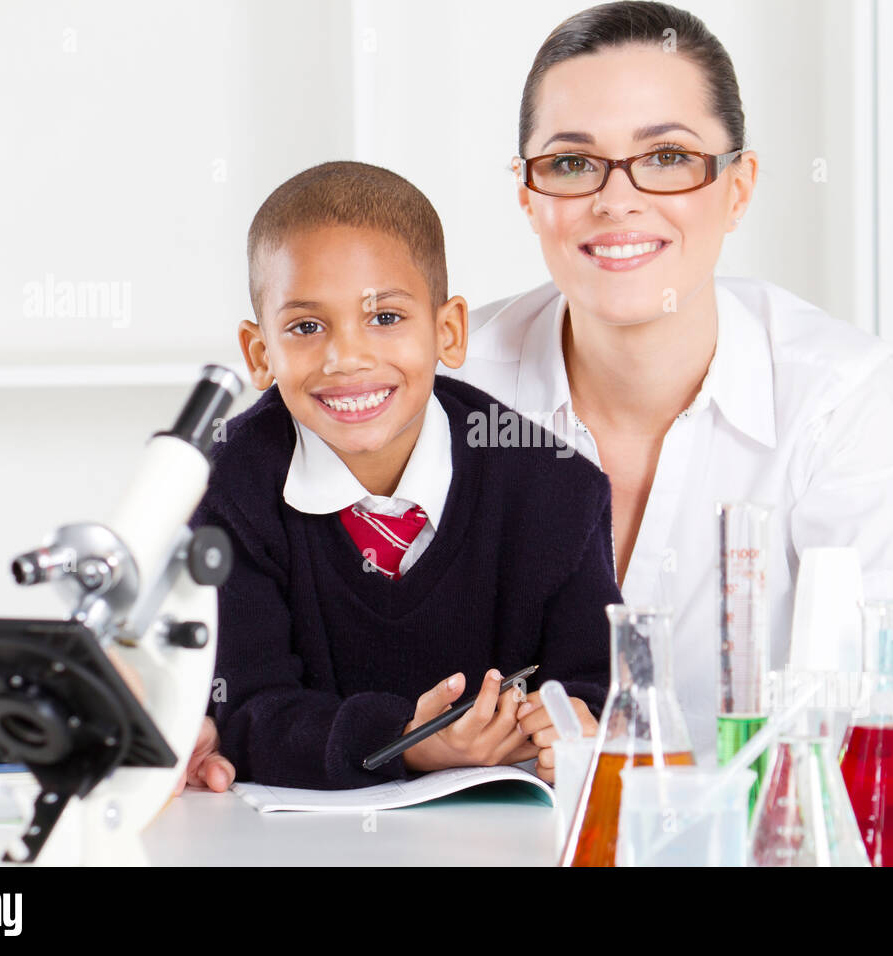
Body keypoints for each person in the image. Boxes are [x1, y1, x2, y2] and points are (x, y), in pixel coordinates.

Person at [182, 0, 893, 787]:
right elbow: (218, 589)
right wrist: (187, 720)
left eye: (668, 156)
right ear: (527, 190)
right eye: (573, 163)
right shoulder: (426, 376)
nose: (617, 200)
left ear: (738, 185)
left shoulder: (829, 394)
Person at [184, 160, 618, 790]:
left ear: (448, 331)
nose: (347, 358)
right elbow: (246, 710)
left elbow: (600, 686)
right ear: (259, 353)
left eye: (385, 318)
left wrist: (574, 723)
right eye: (306, 327)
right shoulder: (227, 492)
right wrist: (408, 745)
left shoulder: (556, 489)